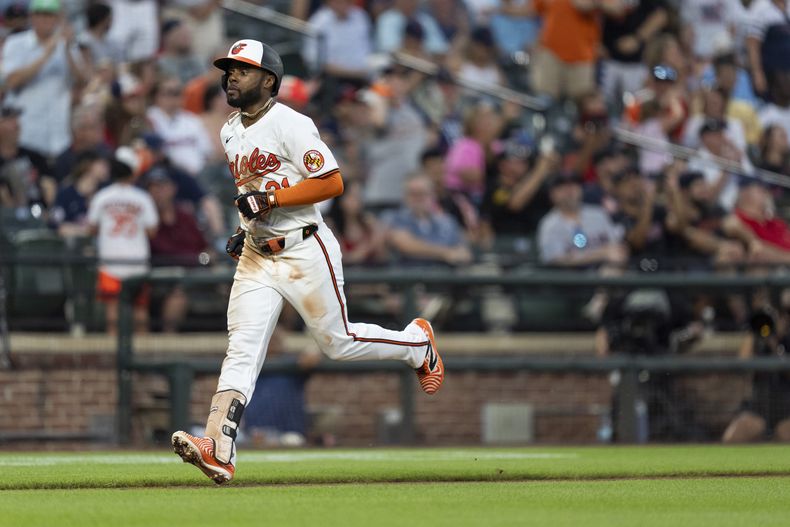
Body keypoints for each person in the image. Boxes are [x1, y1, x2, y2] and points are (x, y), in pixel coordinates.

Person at [171, 39, 444, 484]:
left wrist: (272, 199)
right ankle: (219, 447)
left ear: (269, 80)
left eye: (242, 69)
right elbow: (254, 189)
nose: (231, 76)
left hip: (304, 247)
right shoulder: (228, 130)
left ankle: (417, 344)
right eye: (229, 69)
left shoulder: (290, 123)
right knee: (242, 348)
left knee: (338, 342)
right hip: (260, 254)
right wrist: (247, 228)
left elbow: (331, 182)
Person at [0, 0, 87, 160]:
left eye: (50, 15)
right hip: (26, 134)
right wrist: (47, 53)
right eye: (40, 15)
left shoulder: (66, 45)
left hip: (60, 136)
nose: (45, 20)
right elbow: (12, 81)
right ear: (32, 16)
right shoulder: (16, 43)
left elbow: (83, 81)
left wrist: (67, 49)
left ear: (58, 18)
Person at [86, 147, 158, 334]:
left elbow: (91, 228)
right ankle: (145, 357)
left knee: (112, 314)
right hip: (137, 262)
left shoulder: (102, 197)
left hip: (110, 260)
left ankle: (112, 359)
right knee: (140, 314)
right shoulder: (142, 198)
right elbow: (152, 231)